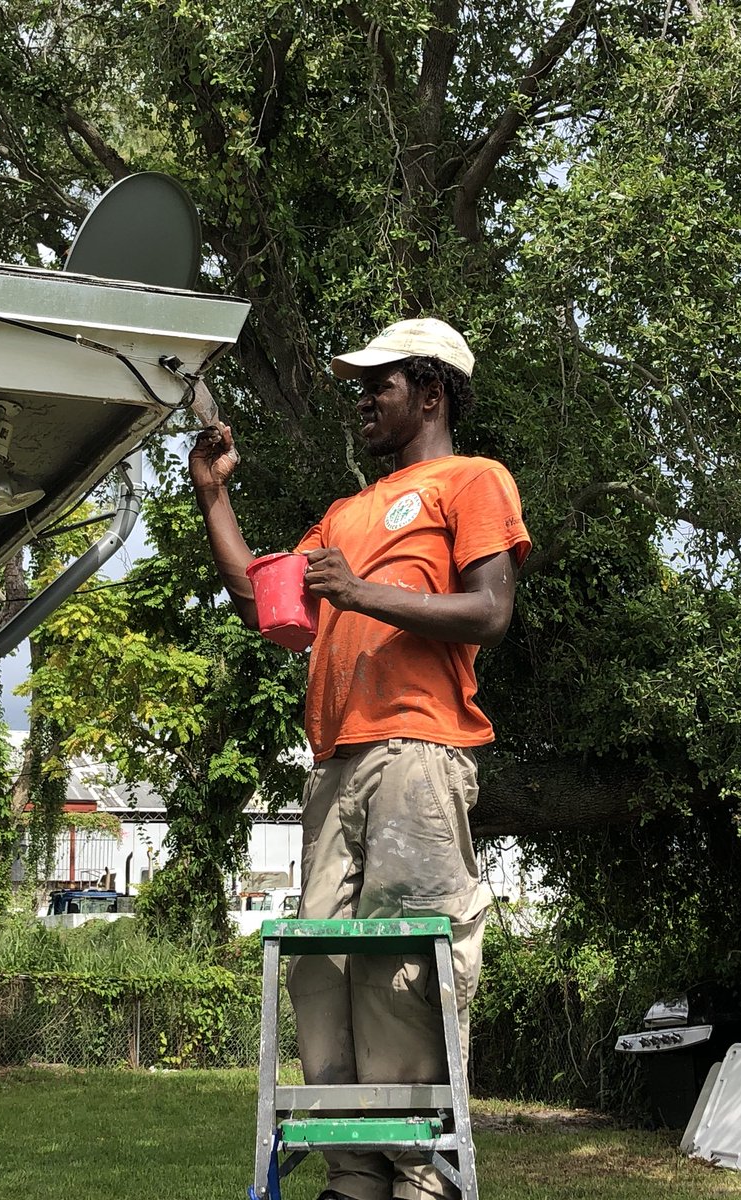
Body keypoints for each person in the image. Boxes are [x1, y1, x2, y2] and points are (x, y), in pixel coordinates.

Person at [188, 318, 530, 1200]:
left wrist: (359, 590)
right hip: (335, 764)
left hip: (419, 750)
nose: (362, 399)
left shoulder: (472, 480)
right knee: (321, 966)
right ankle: (352, 1176)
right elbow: (261, 600)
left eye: (378, 383)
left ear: (431, 393)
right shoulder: (346, 514)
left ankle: (420, 1177)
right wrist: (213, 496)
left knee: (401, 967)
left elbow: (490, 611)